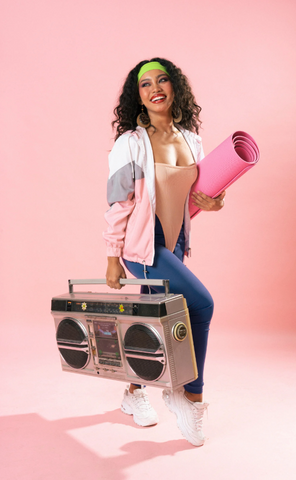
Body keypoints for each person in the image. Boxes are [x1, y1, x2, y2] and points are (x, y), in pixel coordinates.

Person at [103, 58, 226, 447]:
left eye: (162, 80)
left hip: (172, 243)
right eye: (145, 84)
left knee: (151, 315)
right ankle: (189, 394)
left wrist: (211, 203)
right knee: (201, 305)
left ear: (175, 88)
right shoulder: (131, 143)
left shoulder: (192, 140)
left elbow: (186, 198)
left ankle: (133, 391)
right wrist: (111, 257)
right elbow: (117, 202)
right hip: (143, 247)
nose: (155, 88)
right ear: (137, 95)